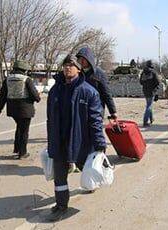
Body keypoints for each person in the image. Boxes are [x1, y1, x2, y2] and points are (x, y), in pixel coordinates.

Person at [46, 54, 106, 222]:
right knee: (60, 175)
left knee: (86, 168)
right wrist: (50, 137)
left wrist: (100, 144)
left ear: (79, 69)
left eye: (71, 65)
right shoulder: (55, 90)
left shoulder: (89, 92)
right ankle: (61, 205)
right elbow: (50, 117)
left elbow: (95, 120)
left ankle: (91, 184)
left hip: (81, 141)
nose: (67, 68)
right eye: (65, 65)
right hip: (59, 139)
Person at [0, 60, 41, 159]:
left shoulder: (7, 79)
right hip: (25, 109)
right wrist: (37, 98)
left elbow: (2, 95)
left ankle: (17, 149)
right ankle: (22, 152)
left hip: (12, 109)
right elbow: (34, 94)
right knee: (24, 130)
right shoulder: (26, 79)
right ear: (24, 69)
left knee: (19, 128)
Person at [76, 47, 117, 119]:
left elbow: (106, 93)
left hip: (96, 109)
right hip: (81, 109)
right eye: (80, 59)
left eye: (83, 59)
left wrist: (113, 111)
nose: (81, 61)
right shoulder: (78, 74)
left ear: (89, 59)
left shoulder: (99, 73)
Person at [139, 60, 161, 127]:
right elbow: (158, 82)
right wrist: (155, 90)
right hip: (151, 91)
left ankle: (151, 119)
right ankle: (145, 121)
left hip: (145, 91)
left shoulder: (143, 72)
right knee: (149, 106)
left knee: (149, 104)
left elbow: (141, 82)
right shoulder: (153, 72)